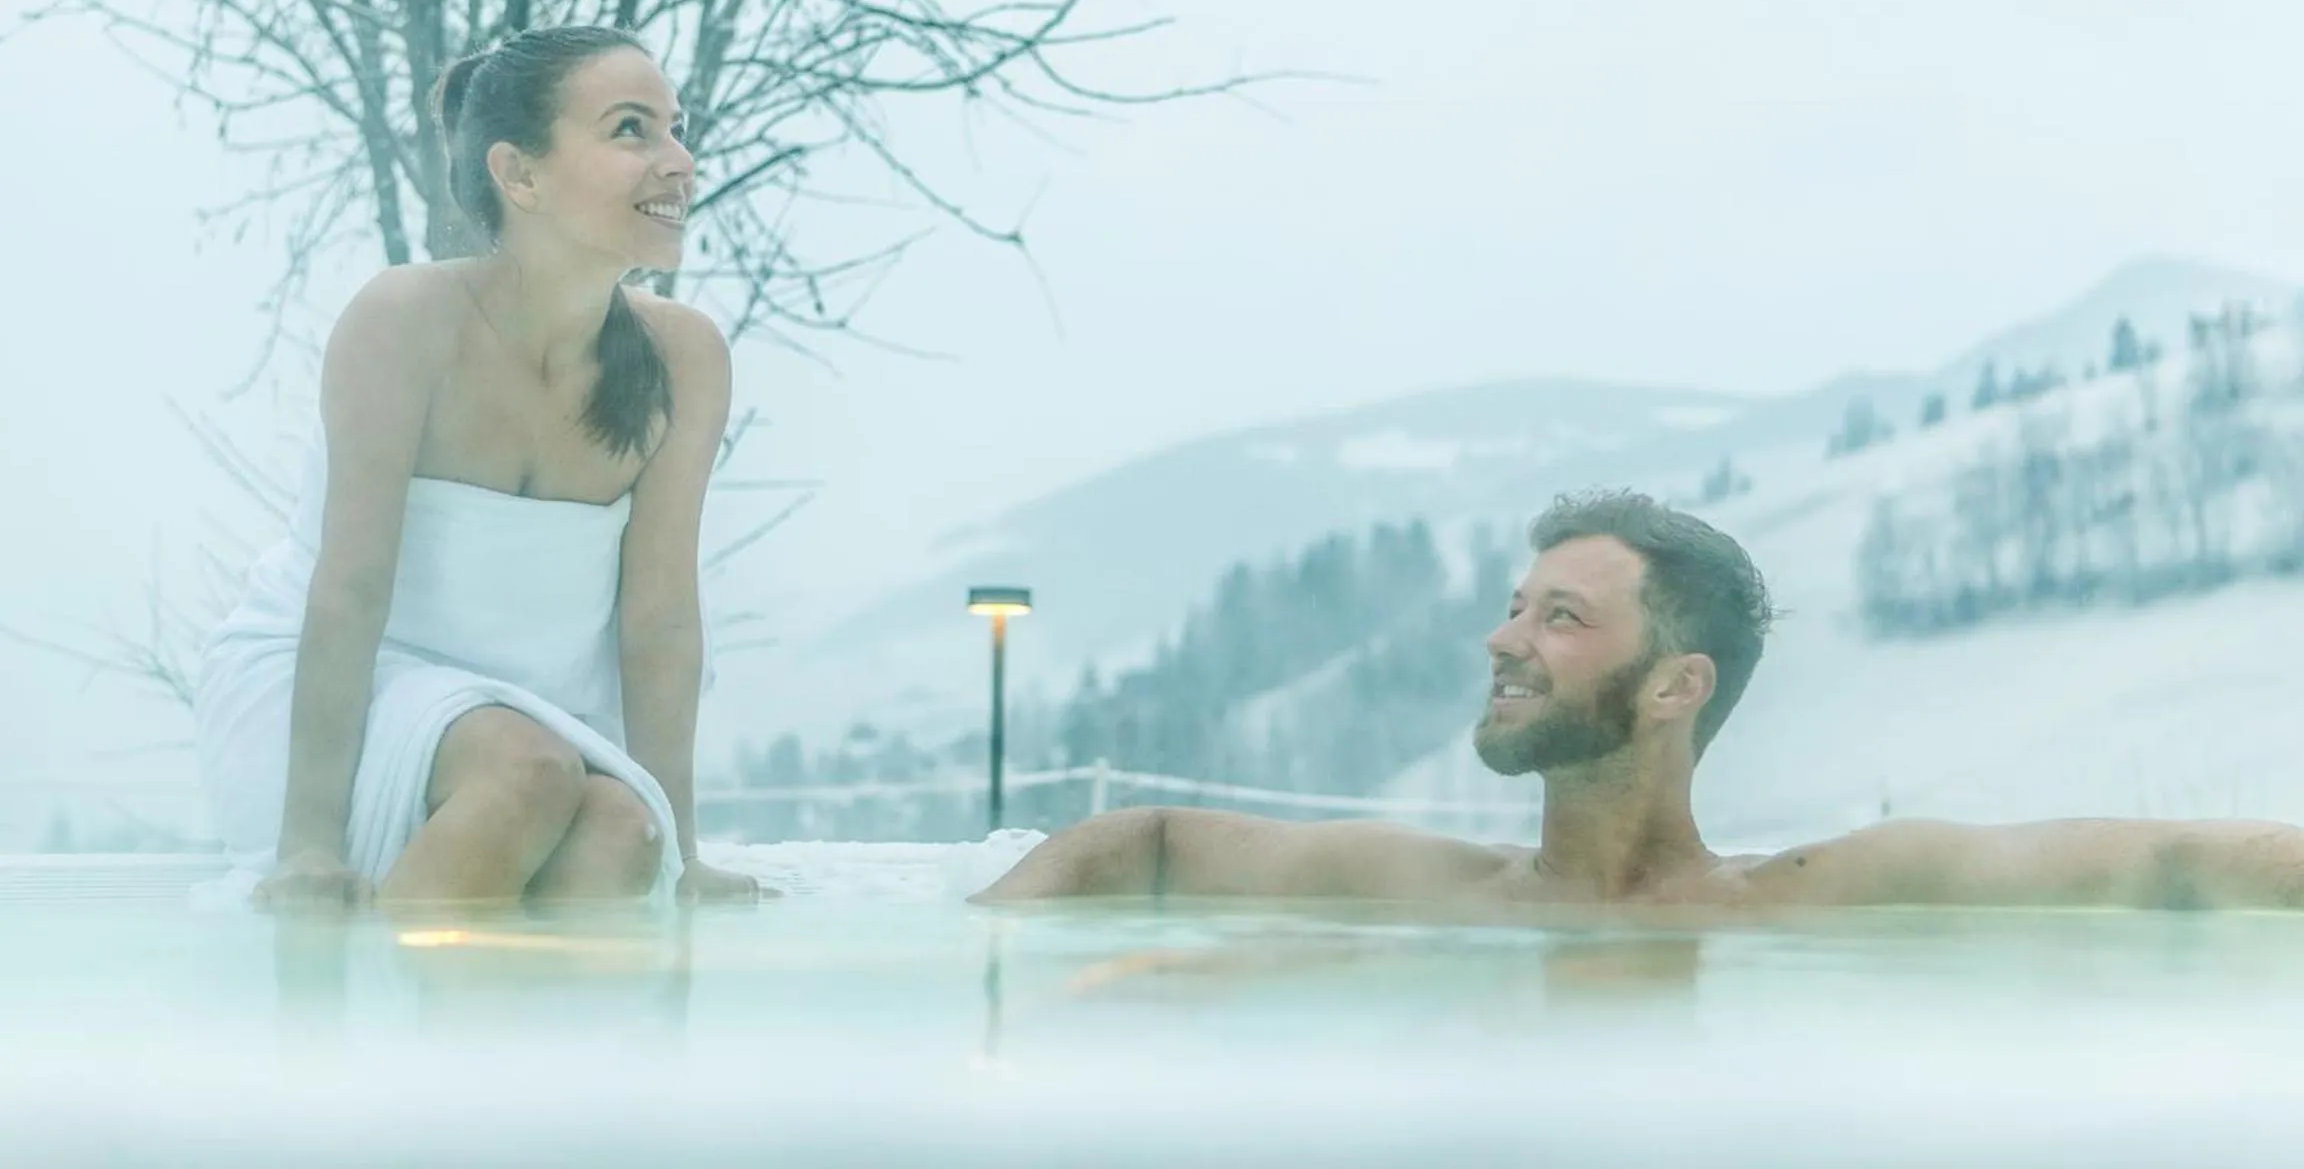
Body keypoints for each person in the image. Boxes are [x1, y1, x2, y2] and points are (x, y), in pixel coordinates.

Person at [976, 490, 2304, 911]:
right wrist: (990, 934)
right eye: (1515, 605)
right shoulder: (1440, 889)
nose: (1504, 640)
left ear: (1676, 684)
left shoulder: (1811, 898)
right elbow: (1136, 838)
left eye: (1559, 617)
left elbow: (2175, 859)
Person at [197, 26, 762, 910]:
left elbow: (659, 622)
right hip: (333, 694)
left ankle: (505, 1042)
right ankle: (349, 1030)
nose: (678, 161)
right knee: (525, 772)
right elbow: (348, 590)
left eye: (675, 128)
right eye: (631, 130)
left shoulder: (681, 356)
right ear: (520, 174)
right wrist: (308, 845)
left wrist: (683, 853)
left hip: (537, 711)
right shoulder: (408, 321)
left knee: (623, 840)